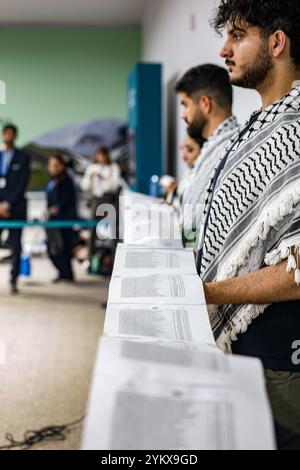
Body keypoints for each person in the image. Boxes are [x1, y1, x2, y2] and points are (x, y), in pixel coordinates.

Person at [197, 0, 300, 443]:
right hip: (245, 347)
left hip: (279, 360)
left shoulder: (294, 131)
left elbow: (297, 273)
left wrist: (206, 293)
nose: (224, 50)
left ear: (276, 43)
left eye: (237, 36)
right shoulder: (261, 125)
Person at [175, 64, 239, 247]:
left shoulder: (226, 152)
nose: (182, 115)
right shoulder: (213, 148)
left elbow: (195, 232)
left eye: (185, 105)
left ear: (205, 104)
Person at [0, 124, 30, 294]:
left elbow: (21, 184)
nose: (8, 136)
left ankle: (13, 280)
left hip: (15, 209)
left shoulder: (23, 157)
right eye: (6, 133)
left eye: (12, 134)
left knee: (15, 245)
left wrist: (7, 204)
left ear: (15, 136)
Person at [46, 154, 82, 283]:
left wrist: (58, 208)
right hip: (53, 221)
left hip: (65, 219)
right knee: (54, 247)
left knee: (64, 247)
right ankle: (63, 272)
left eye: (56, 165)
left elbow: (68, 200)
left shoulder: (67, 181)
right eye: (51, 165)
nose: (53, 168)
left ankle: (67, 274)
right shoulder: (51, 182)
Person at [80, 147, 121, 257]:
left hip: (109, 199)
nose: (101, 158)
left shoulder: (113, 168)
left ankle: (115, 255)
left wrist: (104, 179)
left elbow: (115, 185)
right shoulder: (92, 168)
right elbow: (84, 186)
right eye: (99, 155)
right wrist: (91, 176)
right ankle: (91, 255)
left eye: (103, 155)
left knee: (113, 229)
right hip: (96, 199)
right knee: (92, 227)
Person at [177, 130, 207, 247]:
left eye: (190, 150)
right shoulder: (190, 172)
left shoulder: (203, 182)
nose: (184, 157)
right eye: (183, 149)